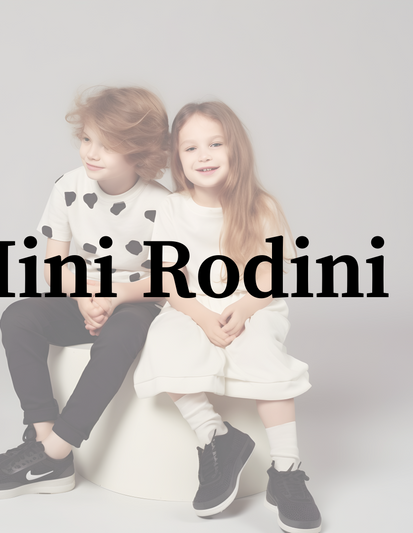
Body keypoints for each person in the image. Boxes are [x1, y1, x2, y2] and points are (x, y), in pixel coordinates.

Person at [0, 86, 170, 499]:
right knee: (19, 317)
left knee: (122, 334)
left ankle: (59, 447)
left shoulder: (162, 204)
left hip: (136, 301)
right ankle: (44, 441)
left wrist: (115, 297)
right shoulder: (68, 186)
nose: (90, 152)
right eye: (87, 138)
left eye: (107, 145)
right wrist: (82, 297)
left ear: (140, 151)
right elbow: (54, 265)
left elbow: (169, 280)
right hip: (86, 293)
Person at [134, 101, 322, 532]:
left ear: (235, 148)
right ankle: (216, 436)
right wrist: (201, 315)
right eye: (190, 148)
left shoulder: (261, 206)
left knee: (264, 356)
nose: (203, 156)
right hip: (192, 301)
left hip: (250, 299)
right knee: (163, 343)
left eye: (215, 144)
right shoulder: (173, 208)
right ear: (178, 159)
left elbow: (269, 276)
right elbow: (170, 279)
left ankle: (287, 469)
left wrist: (248, 306)